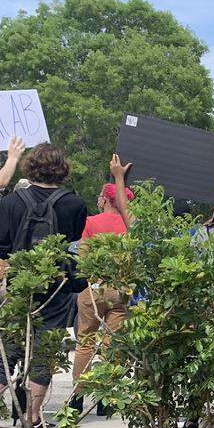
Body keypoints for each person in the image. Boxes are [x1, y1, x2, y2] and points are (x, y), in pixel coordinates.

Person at [0, 143, 87, 428]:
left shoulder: (10, 203)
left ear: (31, 166)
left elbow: (2, 246)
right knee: (44, 350)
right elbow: (74, 237)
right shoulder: (74, 203)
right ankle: (31, 418)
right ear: (62, 168)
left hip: (19, 282)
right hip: (56, 287)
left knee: (7, 348)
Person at [69, 177, 134, 413]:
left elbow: (82, 258)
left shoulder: (90, 222)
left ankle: (77, 398)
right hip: (119, 290)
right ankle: (105, 401)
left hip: (93, 288)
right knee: (111, 344)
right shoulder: (130, 225)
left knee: (85, 340)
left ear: (105, 199)